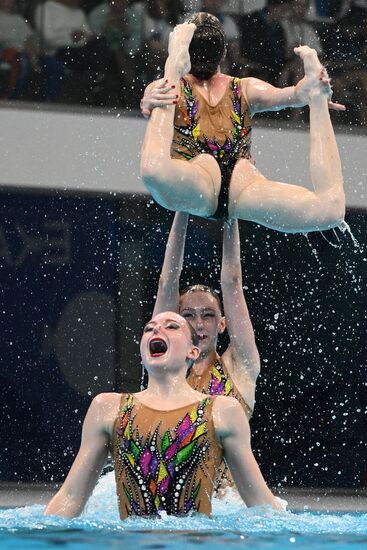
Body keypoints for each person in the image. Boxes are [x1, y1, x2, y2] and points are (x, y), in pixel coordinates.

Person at [44, 311, 283, 518]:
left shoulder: (222, 410)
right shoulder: (107, 407)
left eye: (172, 327)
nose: (157, 329)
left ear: (192, 351)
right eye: (149, 328)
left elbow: (261, 503)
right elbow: (71, 497)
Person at [140, 15, 345, 233]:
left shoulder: (179, 87)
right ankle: (318, 102)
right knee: (328, 209)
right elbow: (293, 95)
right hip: (205, 177)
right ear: (224, 53)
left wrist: (310, 92)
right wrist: (307, 94)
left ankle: (318, 99)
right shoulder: (242, 88)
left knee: (330, 210)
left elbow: (293, 93)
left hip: (235, 184)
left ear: (184, 50)